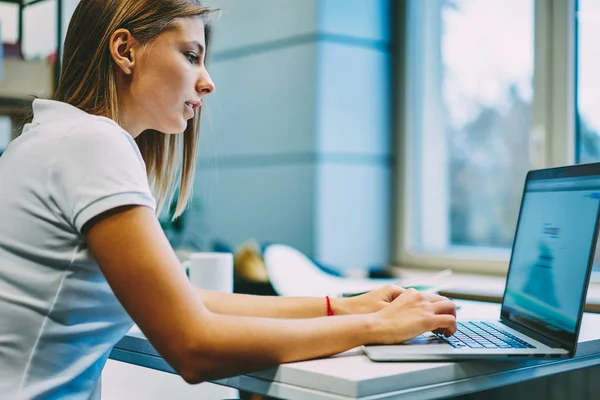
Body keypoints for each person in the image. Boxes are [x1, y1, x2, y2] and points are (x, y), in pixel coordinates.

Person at [0, 0, 457, 398]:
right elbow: (194, 345)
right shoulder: (92, 143)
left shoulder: (44, 139)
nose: (207, 82)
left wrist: (342, 305)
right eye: (192, 56)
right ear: (125, 50)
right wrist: (375, 329)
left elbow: (190, 301)